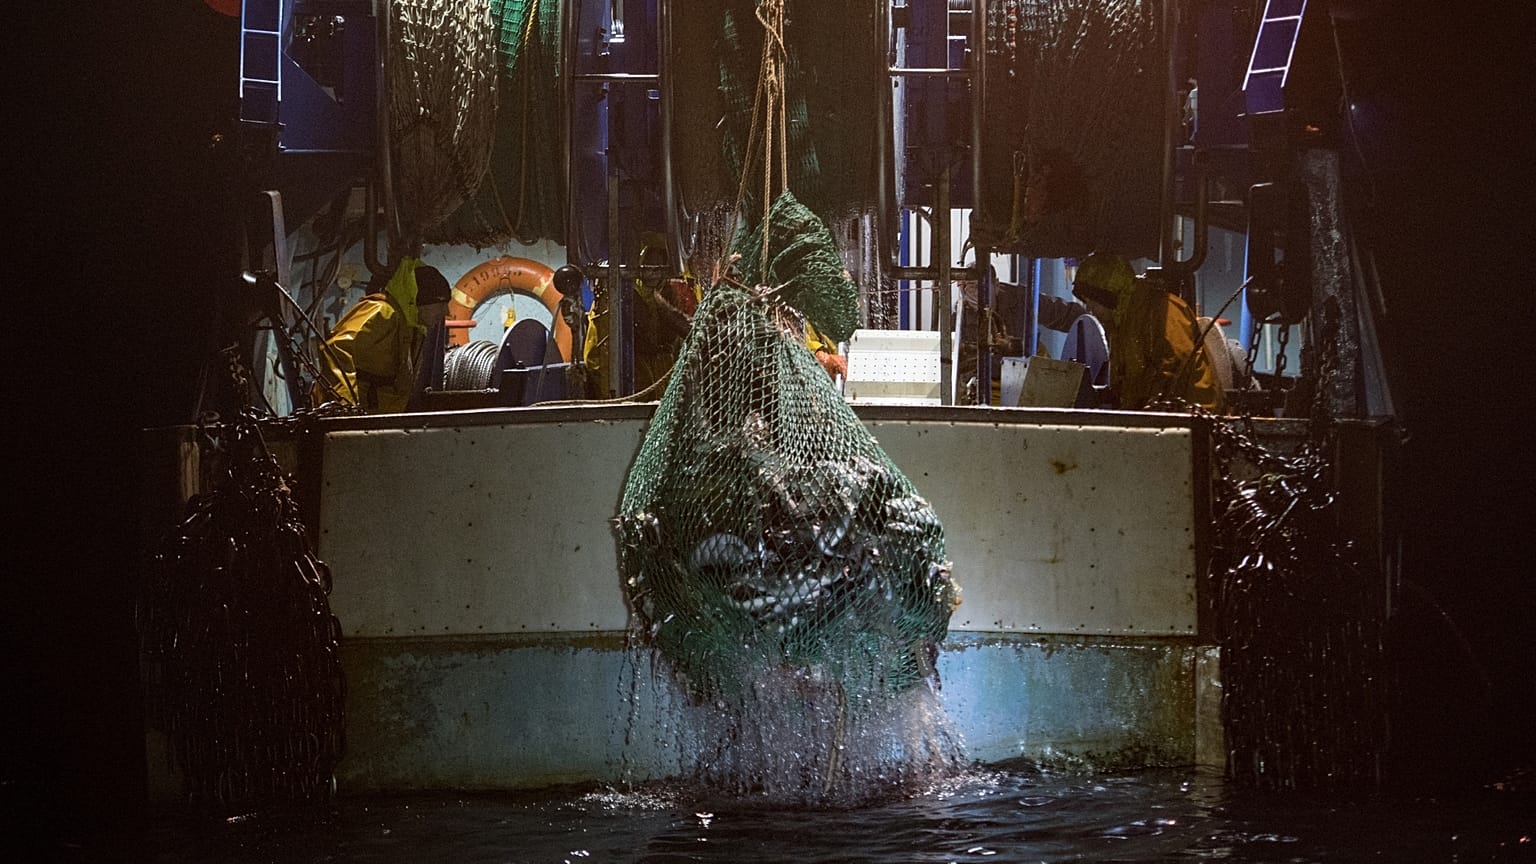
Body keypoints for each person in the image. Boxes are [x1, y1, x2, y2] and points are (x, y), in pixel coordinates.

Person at [1070, 253, 1225, 412]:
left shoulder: (1164, 310)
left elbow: (1175, 369)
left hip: (1191, 419)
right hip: (1160, 419)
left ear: (1107, 295)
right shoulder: (1121, 323)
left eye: (1091, 301)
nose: (1089, 309)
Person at [314, 257, 452, 413]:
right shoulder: (382, 312)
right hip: (356, 413)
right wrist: (345, 407)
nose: (446, 312)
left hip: (379, 415)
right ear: (421, 302)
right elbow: (336, 349)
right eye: (441, 305)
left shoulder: (412, 328)